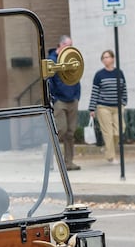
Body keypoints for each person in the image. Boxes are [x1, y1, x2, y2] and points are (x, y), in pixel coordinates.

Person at [47, 34, 82, 170]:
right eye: (68, 46)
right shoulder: (52, 60)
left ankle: (68, 162)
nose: (70, 48)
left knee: (70, 133)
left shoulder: (71, 59)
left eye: (71, 46)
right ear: (60, 45)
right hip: (59, 101)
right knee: (60, 129)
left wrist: (77, 96)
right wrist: (54, 98)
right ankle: (49, 160)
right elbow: (49, 82)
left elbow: (76, 76)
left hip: (72, 99)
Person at [87, 50, 127, 164]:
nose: (105, 59)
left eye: (107, 57)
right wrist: (92, 108)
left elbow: (124, 89)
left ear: (113, 59)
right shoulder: (99, 75)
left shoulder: (119, 73)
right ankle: (111, 157)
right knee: (108, 133)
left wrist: (124, 102)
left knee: (119, 131)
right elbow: (94, 92)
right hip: (103, 107)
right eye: (103, 58)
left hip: (118, 107)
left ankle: (108, 148)